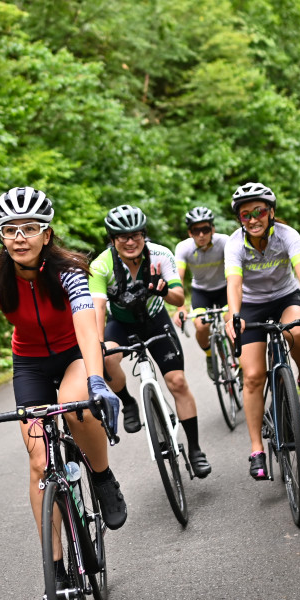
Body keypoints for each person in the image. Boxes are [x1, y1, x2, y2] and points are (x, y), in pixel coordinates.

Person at [0, 187, 127, 594]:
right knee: (39, 464)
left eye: (30, 228)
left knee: (75, 406)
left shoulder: (69, 269)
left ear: (46, 235)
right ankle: (57, 570)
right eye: (10, 229)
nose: (19, 237)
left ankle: (103, 478)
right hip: (30, 363)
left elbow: (88, 329)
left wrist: (96, 380)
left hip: (73, 353)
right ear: (1, 236)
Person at [223, 182, 300, 480]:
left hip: (286, 297)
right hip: (251, 306)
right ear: (239, 220)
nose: (253, 219)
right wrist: (234, 316)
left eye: (259, 211)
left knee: (298, 331)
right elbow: (234, 284)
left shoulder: (288, 236)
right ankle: (257, 450)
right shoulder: (234, 244)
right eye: (246, 215)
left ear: (271, 212)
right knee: (252, 377)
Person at [89, 204, 212, 479]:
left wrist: (165, 289)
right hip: (120, 323)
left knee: (177, 382)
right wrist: (97, 342)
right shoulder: (100, 266)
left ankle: (194, 449)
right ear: (112, 240)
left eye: (136, 235)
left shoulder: (160, 255)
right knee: (105, 357)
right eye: (122, 236)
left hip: (156, 319)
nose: (130, 241)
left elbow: (180, 299)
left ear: (144, 235)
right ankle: (128, 402)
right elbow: (97, 308)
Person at [172, 206, 228, 381]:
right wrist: (180, 306)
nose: (201, 234)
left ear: (213, 229)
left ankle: (241, 365)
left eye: (205, 229)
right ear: (190, 232)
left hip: (225, 289)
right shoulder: (183, 248)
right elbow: (178, 277)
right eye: (197, 230)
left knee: (232, 323)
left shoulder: (224, 242)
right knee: (201, 326)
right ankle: (210, 356)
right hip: (201, 292)